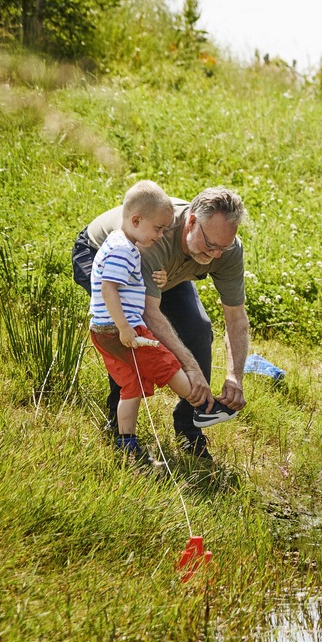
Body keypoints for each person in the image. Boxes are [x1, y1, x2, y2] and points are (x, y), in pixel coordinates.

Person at [72, 186, 251, 462]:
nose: (216, 255)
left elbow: (236, 317)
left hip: (165, 274)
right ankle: (119, 429)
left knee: (198, 329)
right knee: (127, 334)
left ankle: (190, 427)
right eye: (211, 245)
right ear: (191, 222)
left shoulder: (225, 249)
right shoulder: (152, 237)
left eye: (223, 247)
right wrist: (189, 367)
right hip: (102, 257)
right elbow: (148, 314)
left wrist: (234, 377)